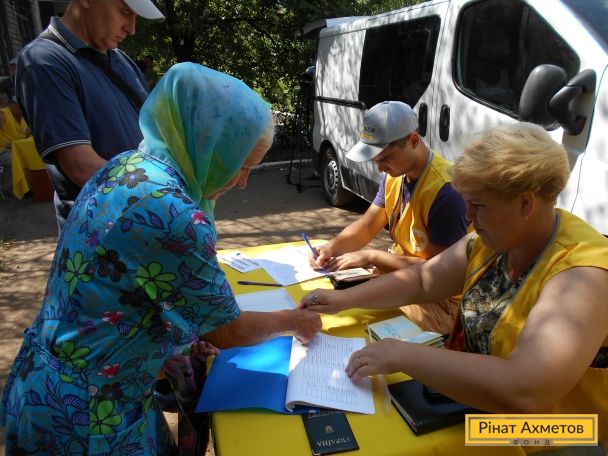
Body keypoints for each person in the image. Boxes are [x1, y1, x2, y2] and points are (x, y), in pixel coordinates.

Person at [0, 63, 322, 455]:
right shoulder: (173, 213)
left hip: (54, 385)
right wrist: (296, 321)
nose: (242, 182)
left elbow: (126, 289)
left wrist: (182, 336)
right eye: (242, 166)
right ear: (211, 146)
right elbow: (228, 332)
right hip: (87, 415)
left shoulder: (126, 165)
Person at [301, 123, 608, 446]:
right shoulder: (497, 238)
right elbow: (422, 281)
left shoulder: (583, 273)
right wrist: (342, 300)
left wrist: (404, 355)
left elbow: (527, 389)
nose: (469, 217)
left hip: (565, 435)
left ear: (526, 203)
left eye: (479, 205)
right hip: (486, 408)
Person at [310, 101, 467, 334]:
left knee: (359, 325)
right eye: (376, 160)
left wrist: (372, 256)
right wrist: (331, 248)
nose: (381, 168)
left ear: (413, 140)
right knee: (334, 304)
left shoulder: (447, 193)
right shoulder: (395, 175)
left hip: (442, 302)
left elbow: (436, 274)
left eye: (386, 158)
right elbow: (367, 225)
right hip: (400, 279)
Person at [16, 0, 164, 230]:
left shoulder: (121, 59)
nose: (131, 28)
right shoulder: (44, 61)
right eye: (124, 12)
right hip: (102, 233)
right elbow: (80, 165)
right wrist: (166, 196)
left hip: (145, 220)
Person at [0, 96, 30, 194]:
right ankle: (8, 189)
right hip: (3, 150)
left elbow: (25, 134)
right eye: (19, 106)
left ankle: (29, 186)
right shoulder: (3, 113)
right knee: (14, 160)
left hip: (19, 149)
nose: (22, 108)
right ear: (11, 105)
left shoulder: (23, 117)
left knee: (32, 157)